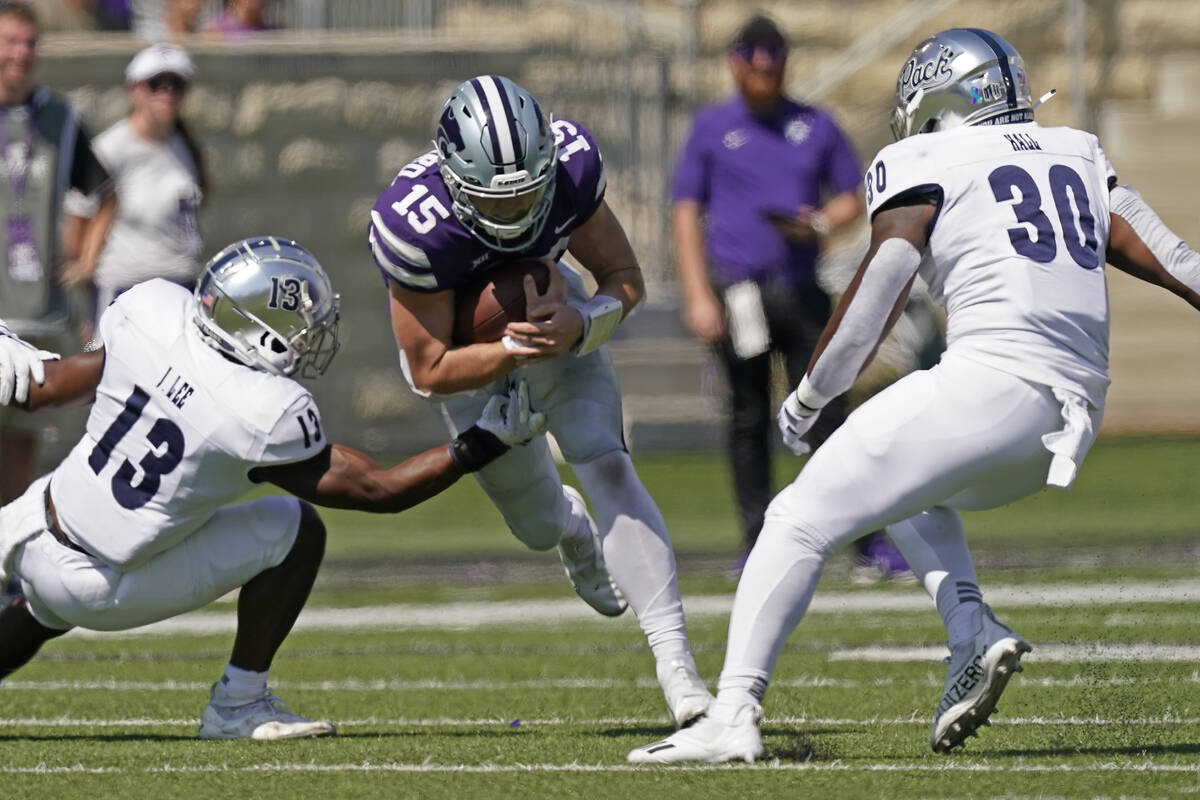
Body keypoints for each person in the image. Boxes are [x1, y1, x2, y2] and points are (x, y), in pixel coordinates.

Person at [628, 28, 1200, 763]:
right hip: (1070, 413)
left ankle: (732, 712)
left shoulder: (923, 158)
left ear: (938, 99)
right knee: (903, 491)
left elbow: (879, 287)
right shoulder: (1078, 151)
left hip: (993, 384)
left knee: (797, 516)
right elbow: (1180, 263)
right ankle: (971, 631)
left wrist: (807, 398)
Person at [0, 236, 547, 740]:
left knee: (45, 604)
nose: (307, 336)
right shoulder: (259, 412)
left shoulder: (151, 314)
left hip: (27, 520)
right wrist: (482, 443)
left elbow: (45, 390)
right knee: (295, 529)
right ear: (258, 329)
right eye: (299, 325)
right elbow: (379, 491)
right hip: (98, 583)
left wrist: (15, 358)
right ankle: (239, 704)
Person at [370, 75, 713, 728]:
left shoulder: (572, 166)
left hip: (557, 334)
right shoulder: (414, 225)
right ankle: (569, 527)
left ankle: (679, 670)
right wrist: (511, 350)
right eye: (497, 202)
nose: (516, 211)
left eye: (529, 193)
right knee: (532, 525)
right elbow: (427, 366)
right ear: (453, 179)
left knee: (607, 461)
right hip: (472, 369)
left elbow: (626, 279)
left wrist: (581, 325)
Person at [671, 14, 910, 579]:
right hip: (739, 294)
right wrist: (697, 293)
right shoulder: (711, 128)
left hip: (801, 289)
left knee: (829, 409)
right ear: (734, 61)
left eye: (773, 52)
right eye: (752, 53)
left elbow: (852, 196)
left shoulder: (815, 124)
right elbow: (685, 210)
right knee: (749, 419)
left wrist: (821, 223)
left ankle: (862, 543)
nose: (763, 65)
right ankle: (757, 544)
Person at [0, 1, 113, 505]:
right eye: (10, 42)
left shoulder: (58, 118)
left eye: (28, 42)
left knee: (20, 449)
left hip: (37, 315)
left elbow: (104, 194)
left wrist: (84, 261)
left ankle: (5, 566)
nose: (21, 54)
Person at [61, 43, 207, 324]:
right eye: (156, 84)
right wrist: (84, 272)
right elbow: (79, 210)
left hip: (182, 284)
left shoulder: (183, 144)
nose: (167, 93)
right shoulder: (111, 147)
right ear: (135, 89)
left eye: (177, 84)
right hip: (126, 288)